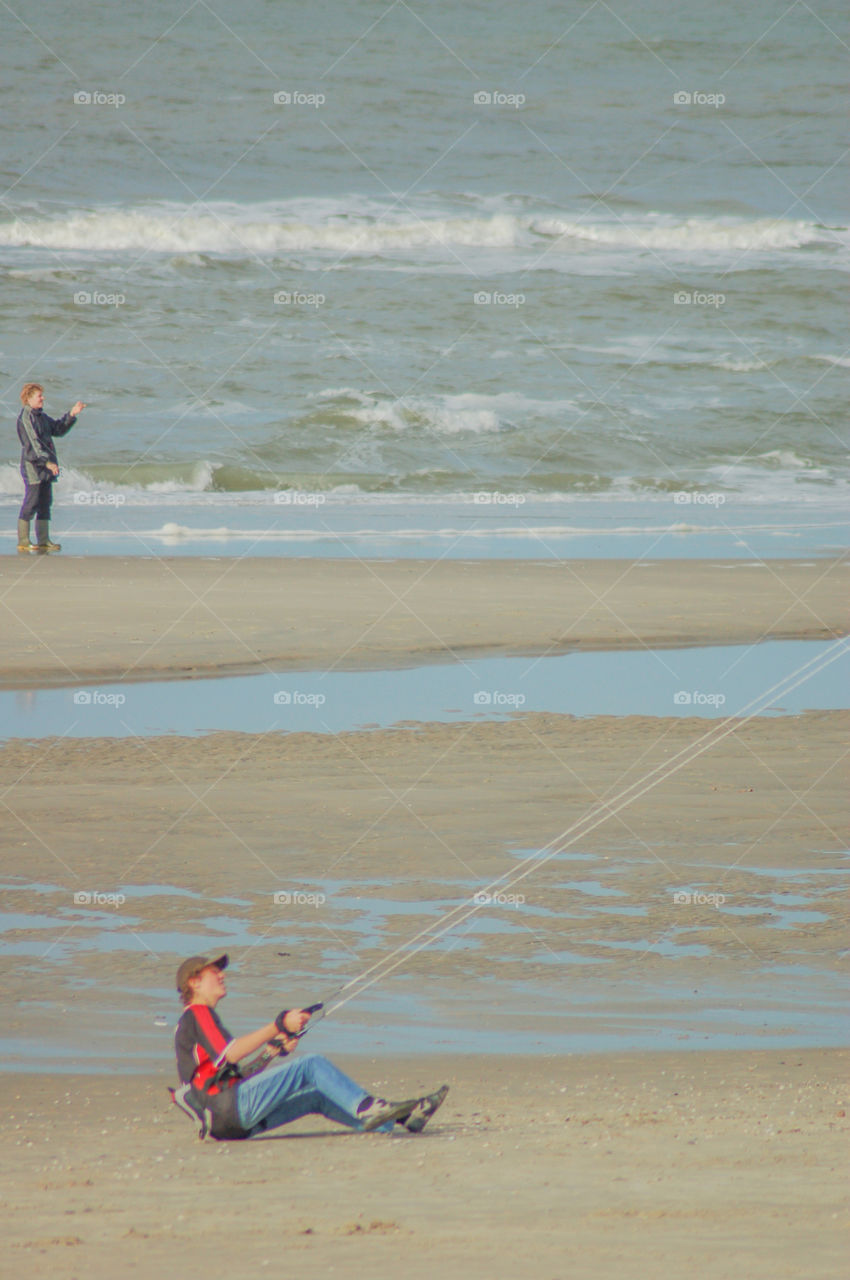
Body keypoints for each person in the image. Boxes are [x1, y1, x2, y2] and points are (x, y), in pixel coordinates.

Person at [170, 953, 449, 1140]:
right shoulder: (197, 1013)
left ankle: (398, 1122)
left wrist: (271, 1051)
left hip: (227, 1126)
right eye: (214, 972)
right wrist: (279, 1024)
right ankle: (369, 1108)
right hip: (229, 1110)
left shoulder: (191, 1023)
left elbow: (231, 1078)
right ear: (194, 982)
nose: (222, 975)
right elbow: (230, 1053)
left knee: (315, 1098)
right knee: (310, 1065)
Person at [16, 382, 86, 553]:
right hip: (33, 466)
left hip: (47, 466)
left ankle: (44, 541)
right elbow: (32, 446)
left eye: (42, 395)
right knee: (32, 502)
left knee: (45, 503)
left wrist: (72, 414)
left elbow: (58, 429)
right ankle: (24, 541)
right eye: (39, 396)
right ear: (29, 398)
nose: (43, 398)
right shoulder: (25, 418)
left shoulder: (41, 416)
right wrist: (47, 463)